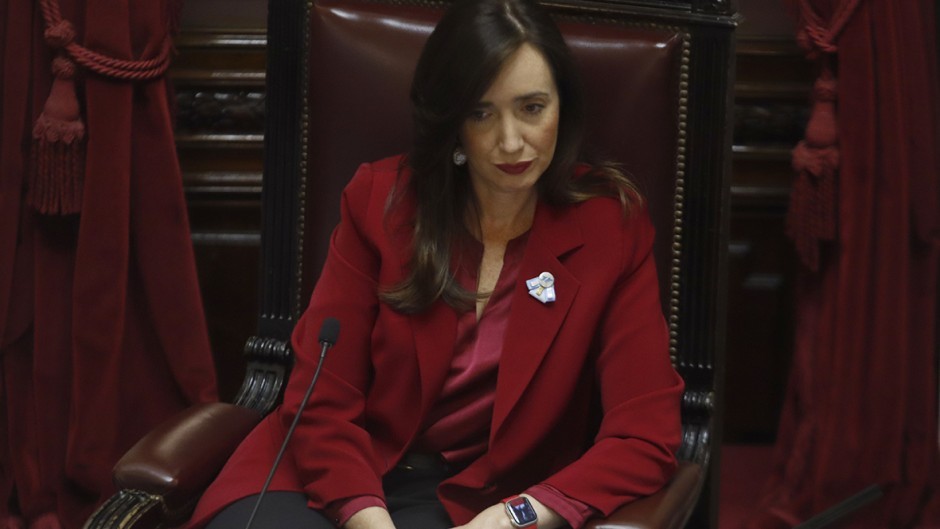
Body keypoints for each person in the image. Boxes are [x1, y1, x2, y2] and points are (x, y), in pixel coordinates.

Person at [187, 0, 684, 528]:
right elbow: (324, 403)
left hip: (474, 500)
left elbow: (644, 436)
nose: (511, 140)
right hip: (325, 474)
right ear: (452, 121)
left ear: (564, 106)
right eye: (481, 113)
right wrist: (367, 517)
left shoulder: (610, 228)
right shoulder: (381, 204)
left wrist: (518, 516)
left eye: (532, 108)